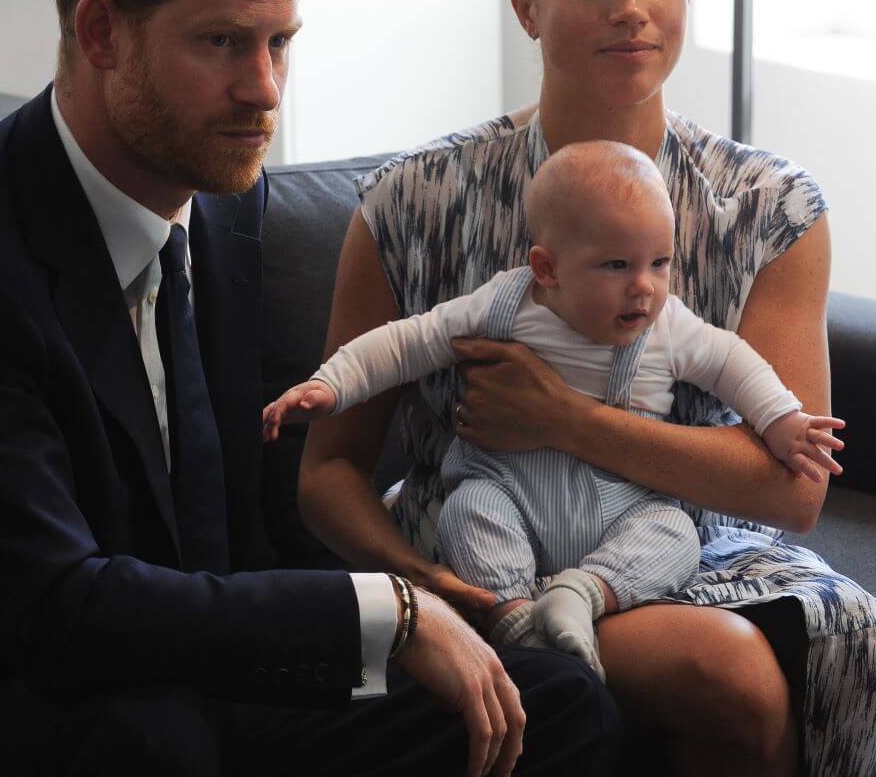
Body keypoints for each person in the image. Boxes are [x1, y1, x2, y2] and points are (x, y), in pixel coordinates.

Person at [0, 0, 622, 776]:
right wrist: (385, 613)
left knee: (549, 700)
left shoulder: (219, 199)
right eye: (222, 42)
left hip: (190, 669)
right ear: (101, 33)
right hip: (5, 700)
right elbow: (56, 611)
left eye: (280, 41)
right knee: (159, 748)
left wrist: (428, 596)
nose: (263, 90)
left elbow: (244, 525)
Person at [296, 0, 876, 777]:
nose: (631, 5)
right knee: (736, 677)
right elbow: (329, 471)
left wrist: (565, 418)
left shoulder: (767, 204)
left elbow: (792, 489)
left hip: (683, 547)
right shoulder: (413, 199)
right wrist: (425, 588)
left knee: (844, 637)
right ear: (527, 5)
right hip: (479, 549)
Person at [266, 141, 846, 679]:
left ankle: (582, 593)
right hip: (508, 485)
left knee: (673, 533)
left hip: (622, 502)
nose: (644, 288)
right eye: (616, 266)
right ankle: (513, 614)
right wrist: (330, 384)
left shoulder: (668, 327)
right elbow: (407, 341)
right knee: (468, 512)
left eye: (660, 263)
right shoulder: (506, 303)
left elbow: (733, 363)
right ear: (547, 269)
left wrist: (783, 420)